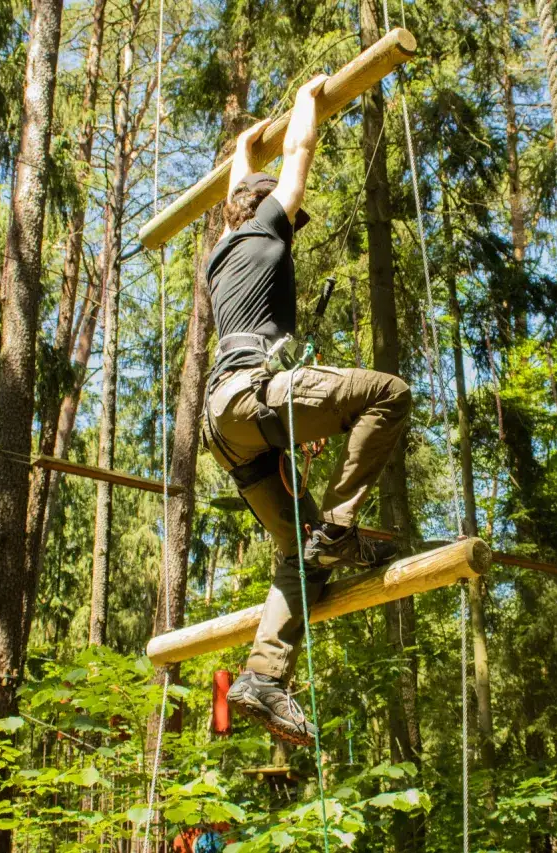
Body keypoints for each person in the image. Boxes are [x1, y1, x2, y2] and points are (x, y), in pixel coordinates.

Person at [202, 75, 412, 746]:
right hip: (250, 394)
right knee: (388, 393)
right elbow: (298, 151)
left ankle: (263, 677)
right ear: (266, 208)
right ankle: (340, 527)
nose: (292, 222)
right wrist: (307, 99)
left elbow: (240, 186)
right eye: (286, 213)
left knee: (299, 556)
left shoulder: (221, 252)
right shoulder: (267, 224)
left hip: (225, 426)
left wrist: (243, 148)